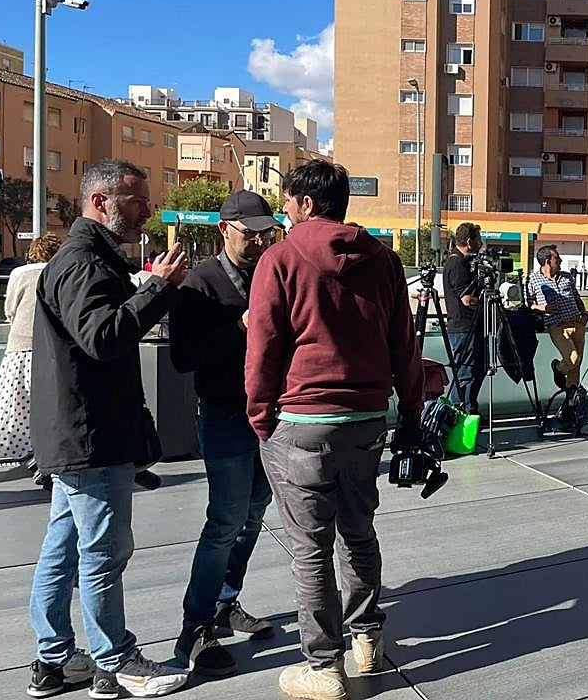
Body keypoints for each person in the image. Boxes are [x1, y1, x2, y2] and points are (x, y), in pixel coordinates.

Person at [246, 160, 425, 700]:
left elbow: (263, 347)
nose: (282, 211)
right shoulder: (385, 262)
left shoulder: (279, 258)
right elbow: (406, 348)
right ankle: (366, 638)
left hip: (300, 421)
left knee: (309, 547)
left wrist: (260, 417)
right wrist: (411, 415)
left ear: (303, 203)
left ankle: (323, 667)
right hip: (367, 419)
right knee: (358, 530)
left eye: (285, 202)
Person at [27, 160, 189, 699]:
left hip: (76, 433)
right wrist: (157, 291)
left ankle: (54, 659)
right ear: (101, 202)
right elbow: (102, 337)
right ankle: (113, 661)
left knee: (65, 546)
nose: (148, 209)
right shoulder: (83, 264)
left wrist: (146, 288)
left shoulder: (86, 260)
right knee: (102, 552)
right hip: (91, 437)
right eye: (138, 200)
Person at [169, 191, 278, 677]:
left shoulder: (268, 273)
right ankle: (195, 626)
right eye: (249, 233)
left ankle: (225, 600)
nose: (258, 241)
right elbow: (181, 358)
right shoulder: (200, 283)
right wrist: (237, 326)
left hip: (268, 415)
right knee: (225, 520)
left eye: (266, 233)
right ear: (223, 229)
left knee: (253, 513)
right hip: (224, 413)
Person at [0, 233, 61, 472]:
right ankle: (45, 453)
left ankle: (18, 451)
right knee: (50, 407)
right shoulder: (61, 270)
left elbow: (9, 309)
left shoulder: (19, 274)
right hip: (51, 348)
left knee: (15, 406)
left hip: (19, 346)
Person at [526, 245, 588, 392]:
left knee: (576, 366)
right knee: (573, 359)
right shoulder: (533, 280)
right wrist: (543, 308)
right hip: (557, 326)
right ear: (548, 261)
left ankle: (571, 398)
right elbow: (528, 304)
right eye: (557, 258)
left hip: (577, 323)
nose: (560, 260)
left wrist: (584, 313)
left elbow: (576, 297)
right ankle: (558, 369)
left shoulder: (567, 277)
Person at [442, 222, 485, 415]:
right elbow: (467, 299)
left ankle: (469, 410)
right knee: (466, 372)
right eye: (478, 239)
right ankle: (460, 414)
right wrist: (485, 300)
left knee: (476, 370)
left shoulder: (462, 261)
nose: (481, 243)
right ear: (469, 241)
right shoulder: (457, 263)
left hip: (468, 326)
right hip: (462, 327)